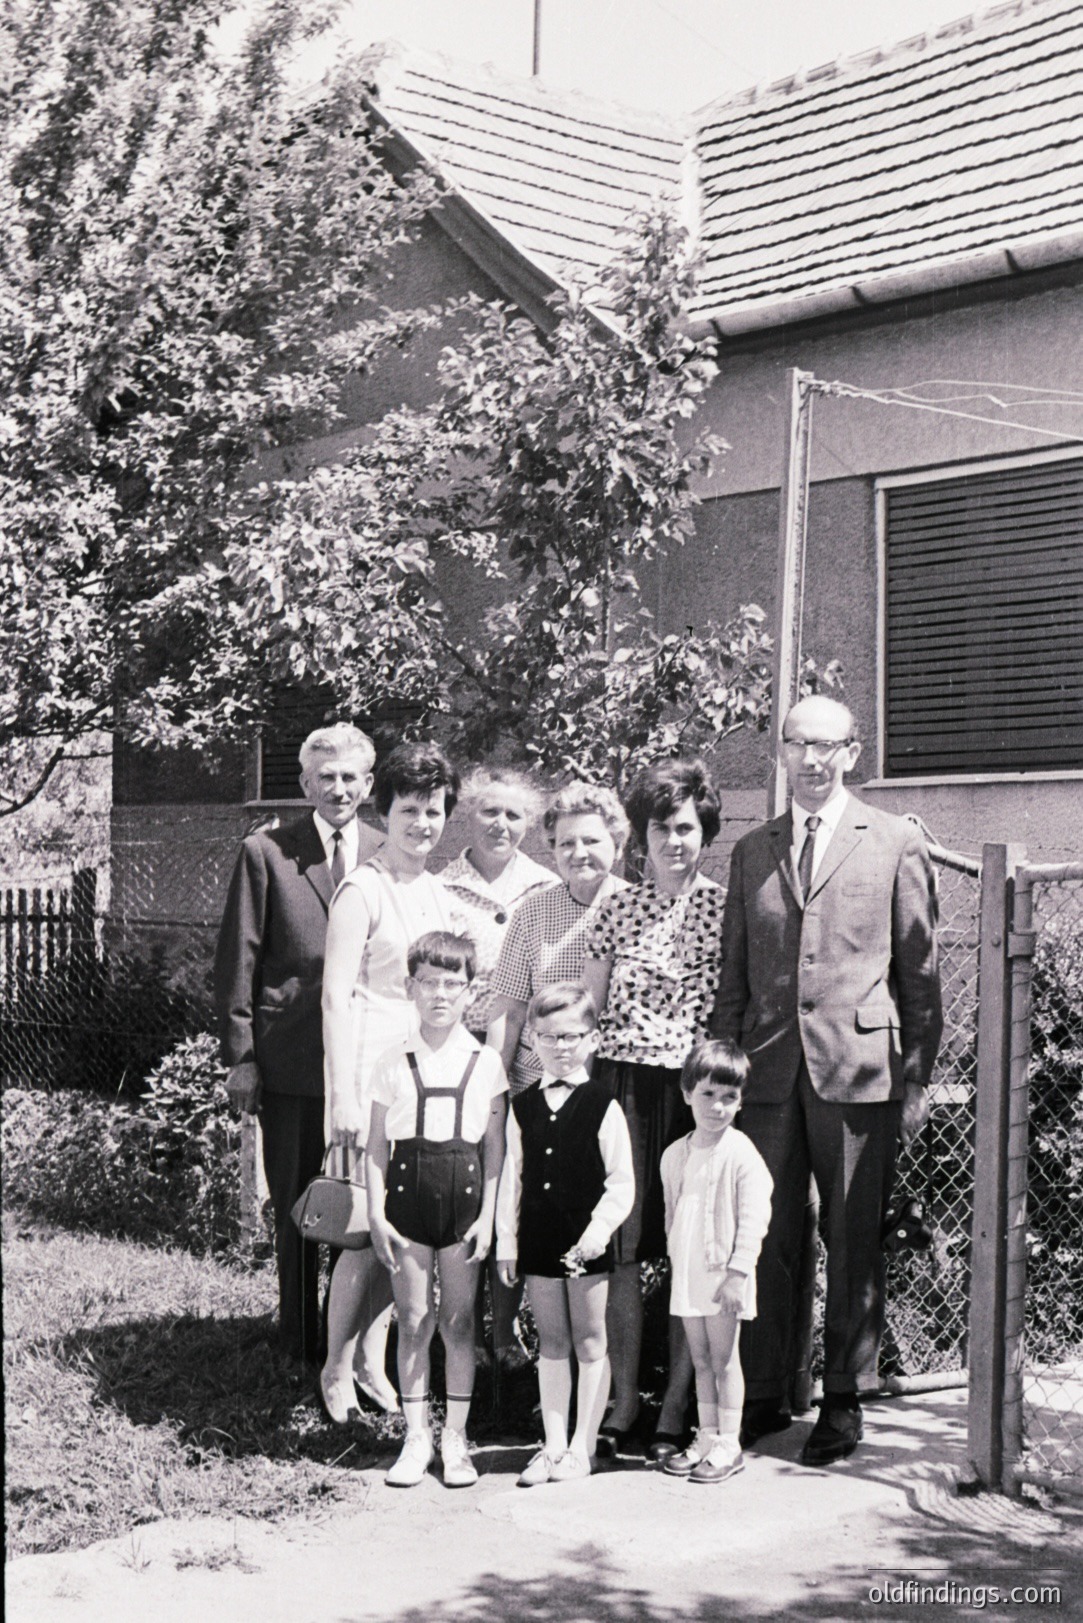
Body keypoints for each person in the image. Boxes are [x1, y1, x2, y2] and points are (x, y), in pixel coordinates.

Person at [710, 695, 942, 1465]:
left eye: (826, 746)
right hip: (768, 1073)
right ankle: (769, 1389)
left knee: (850, 1240)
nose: (810, 761)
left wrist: (914, 1082)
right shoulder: (752, 850)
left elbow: (920, 974)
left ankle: (842, 1397)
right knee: (764, 1235)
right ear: (778, 752)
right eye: (796, 745)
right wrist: (722, 1069)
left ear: (853, 751)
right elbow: (732, 975)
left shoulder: (895, 841)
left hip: (857, 1073)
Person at [213, 722, 383, 1365]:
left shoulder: (388, 848)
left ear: (368, 784)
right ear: (307, 783)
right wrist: (243, 1057)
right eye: (326, 777)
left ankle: (358, 1348)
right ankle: (300, 1343)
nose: (338, 788)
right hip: (293, 1061)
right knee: (299, 1204)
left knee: (363, 1205)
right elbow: (239, 957)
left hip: (370, 1061)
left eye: (350, 777)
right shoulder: (267, 852)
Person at [582, 756, 727, 1459]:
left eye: (686, 827)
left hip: (692, 1092)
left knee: (687, 1249)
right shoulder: (617, 904)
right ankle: (621, 1395)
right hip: (622, 1087)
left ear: (705, 832)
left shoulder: (725, 906)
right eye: (660, 827)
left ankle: (677, 1402)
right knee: (620, 1248)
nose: (673, 840)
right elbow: (588, 1002)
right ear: (640, 836)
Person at [320, 742, 462, 1424]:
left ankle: (374, 1361)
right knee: (359, 1233)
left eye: (433, 810)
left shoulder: (438, 893)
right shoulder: (362, 888)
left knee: (399, 1235)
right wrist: (342, 1097)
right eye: (409, 809)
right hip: (366, 1079)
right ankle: (334, 1369)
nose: (421, 823)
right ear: (386, 811)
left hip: (421, 1084)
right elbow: (335, 996)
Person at [366, 932, 508, 1488]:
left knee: (459, 1321)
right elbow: (376, 1145)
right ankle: (415, 1436)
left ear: (470, 992)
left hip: (464, 1204)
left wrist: (489, 1215)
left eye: (453, 984)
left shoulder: (485, 1062)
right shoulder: (393, 1061)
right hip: (407, 1203)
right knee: (415, 1321)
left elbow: (494, 1148)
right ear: (410, 988)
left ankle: (457, 1439)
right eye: (428, 982)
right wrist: (377, 1214)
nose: (440, 994)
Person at [438, 765, 553, 1373]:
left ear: (529, 824)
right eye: (489, 812)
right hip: (459, 1053)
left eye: (513, 815)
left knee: (511, 1185)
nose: (500, 825)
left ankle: (504, 1332)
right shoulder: (441, 887)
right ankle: (457, 1327)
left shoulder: (548, 887)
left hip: (527, 1058)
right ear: (468, 815)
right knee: (463, 1185)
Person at [496, 984, 634, 1485]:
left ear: (592, 1040)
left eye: (571, 1036)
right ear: (532, 1039)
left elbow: (622, 1183)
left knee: (590, 1339)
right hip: (538, 1237)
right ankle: (552, 1446)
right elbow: (511, 1179)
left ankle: (583, 1446)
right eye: (549, 1037)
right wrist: (508, 1244)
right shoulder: (522, 1106)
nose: (560, 1047)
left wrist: (597, 1235)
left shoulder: (604, 1105)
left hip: (585, 1242)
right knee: (551, 1342)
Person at [660, 1039, 772, 1485]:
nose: (718, 1106)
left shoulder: (741, 1153)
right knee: (701, 1358)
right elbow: (674, 1214)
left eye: (730, 1097)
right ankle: (706, 1436)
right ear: (687, 1093)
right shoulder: (675, 1155)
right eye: (708, 1094)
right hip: (689, 1275)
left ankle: (730, 1442)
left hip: (725, 1276)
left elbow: (754, 1216)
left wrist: (737, 1274)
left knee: (725, 1359)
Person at [487, 781, 629, 1094]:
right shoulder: (534, 911)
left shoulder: (636, 908)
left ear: (618, 845)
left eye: (591, 840)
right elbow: (508, 1014)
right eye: (565, 843)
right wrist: (492, 1096)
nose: (579, 853)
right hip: (536, 1087)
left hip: (614, 1090)